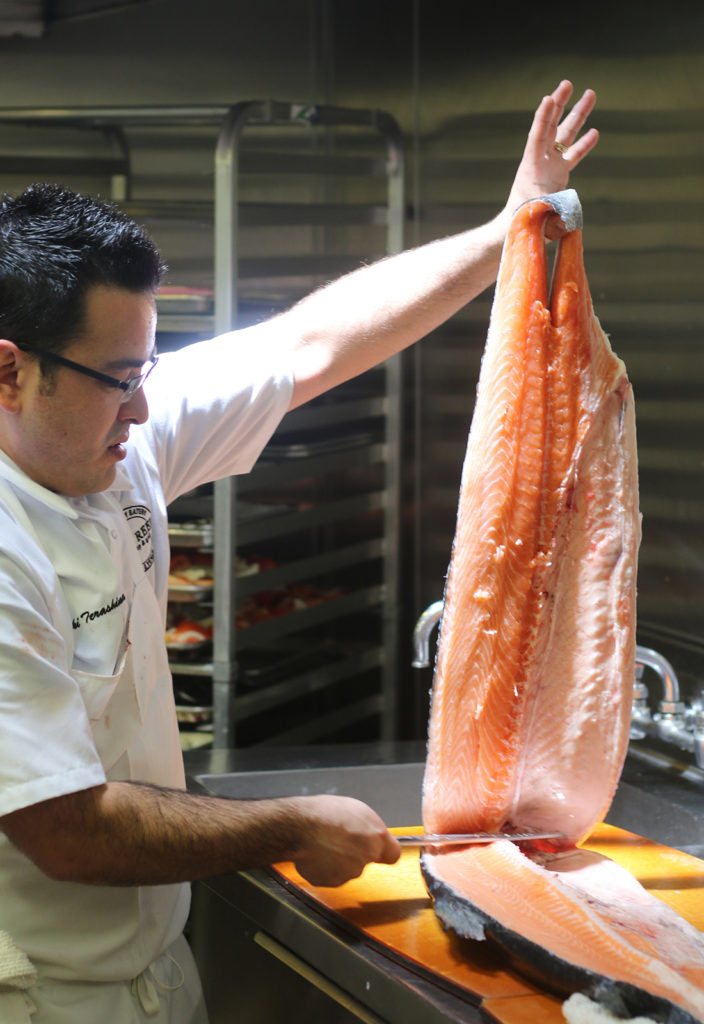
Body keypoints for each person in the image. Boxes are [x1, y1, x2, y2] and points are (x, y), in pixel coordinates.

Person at [0, 79, 598, 1023]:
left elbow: (311, 341)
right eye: (119, 379)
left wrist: (508, 232)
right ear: (10, 369)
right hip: (38, 995)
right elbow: (67, 829)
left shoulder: (116, 440)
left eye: (147, 370)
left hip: (153, 968)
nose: (146, 408)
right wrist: (287, 824)